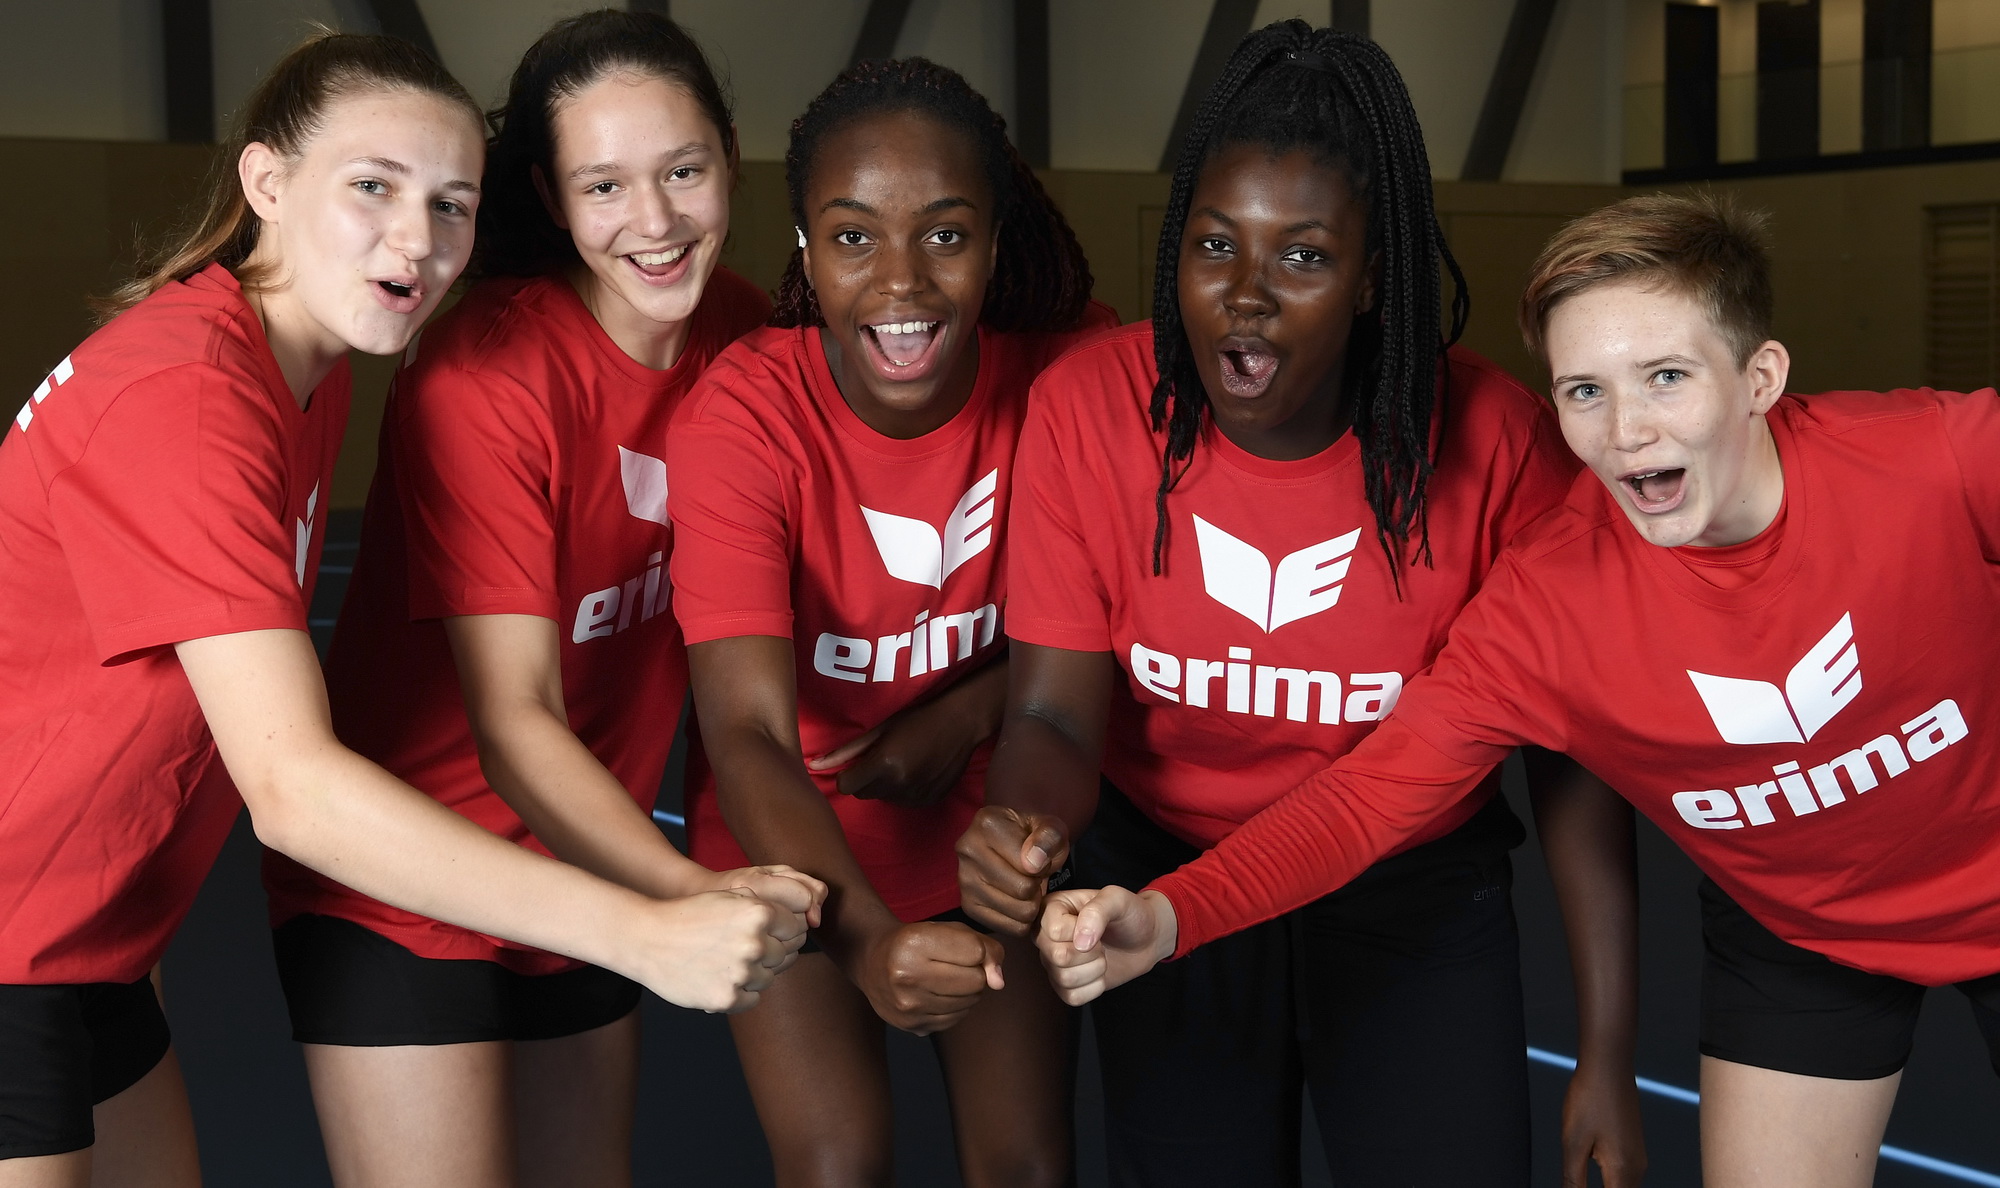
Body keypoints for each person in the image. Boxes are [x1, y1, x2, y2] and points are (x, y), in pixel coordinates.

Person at [1038, 190, 2000, 1188]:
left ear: (1759, 377)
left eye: (1666, 377)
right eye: (1584, 391)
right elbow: (1365, 800)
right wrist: (1169, 916)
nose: (1625, 430)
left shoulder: (1934, 463)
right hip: (1798, 928)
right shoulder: (1548, 607)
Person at [0, 32, 810, 1188]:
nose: (416, 239)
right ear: (266, 181)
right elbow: (293, 790)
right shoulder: (192, 396)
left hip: (85, 938)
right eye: (371, 187)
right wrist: (646, 925)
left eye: (450, 204)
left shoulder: (300, 372)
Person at [953, 21, 1642, 1188]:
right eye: (1214, 244)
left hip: (1410, 898)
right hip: (1163, 880)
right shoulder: (1091, 409)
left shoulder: (1498, 446)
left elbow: (1570, 769)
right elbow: (1054, 713)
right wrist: (1022, 830)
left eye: (1304, 257)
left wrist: (1607, 1051)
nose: (1246, 295)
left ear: (1371, 278)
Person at [665, 57, 1115, 1187]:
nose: (902, 280)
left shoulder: (1069, 381)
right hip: (792, 833)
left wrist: (967, 713)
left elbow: (1118, 630)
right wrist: (865, 939)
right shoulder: (742, 418)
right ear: (807, 248)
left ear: (996, 246)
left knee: (1025, 1163)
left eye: (945, 235)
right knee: (837, 1164)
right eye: (854, 237)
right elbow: (746, 734)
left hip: (992, 822)